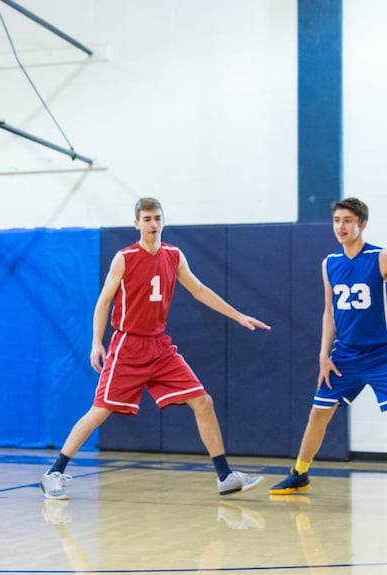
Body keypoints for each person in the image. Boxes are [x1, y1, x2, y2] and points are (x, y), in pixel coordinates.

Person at [40, 197, 270, 500]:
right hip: (128, 345)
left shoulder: (174, 255)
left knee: (203, 402)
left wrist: (238, 315)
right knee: (100, 411)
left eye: (157, 218)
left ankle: (225, 476)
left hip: (159, 346)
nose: (153, 224)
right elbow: (103, 302)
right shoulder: (124, 257)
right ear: (137, 223)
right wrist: (97, 342)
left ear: (163, 221)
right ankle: (54, 472)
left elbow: (199, 290)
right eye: (147, 219)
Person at [270, 197, 387, 495]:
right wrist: (323, 354)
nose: (341, 226)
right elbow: (329, 312)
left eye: (348, 220)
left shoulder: (380, 257)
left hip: (380, 354)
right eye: (337, 221)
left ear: (362, 224)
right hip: (344, 356)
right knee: (318, 414)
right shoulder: (330, 263)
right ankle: (300, 474)